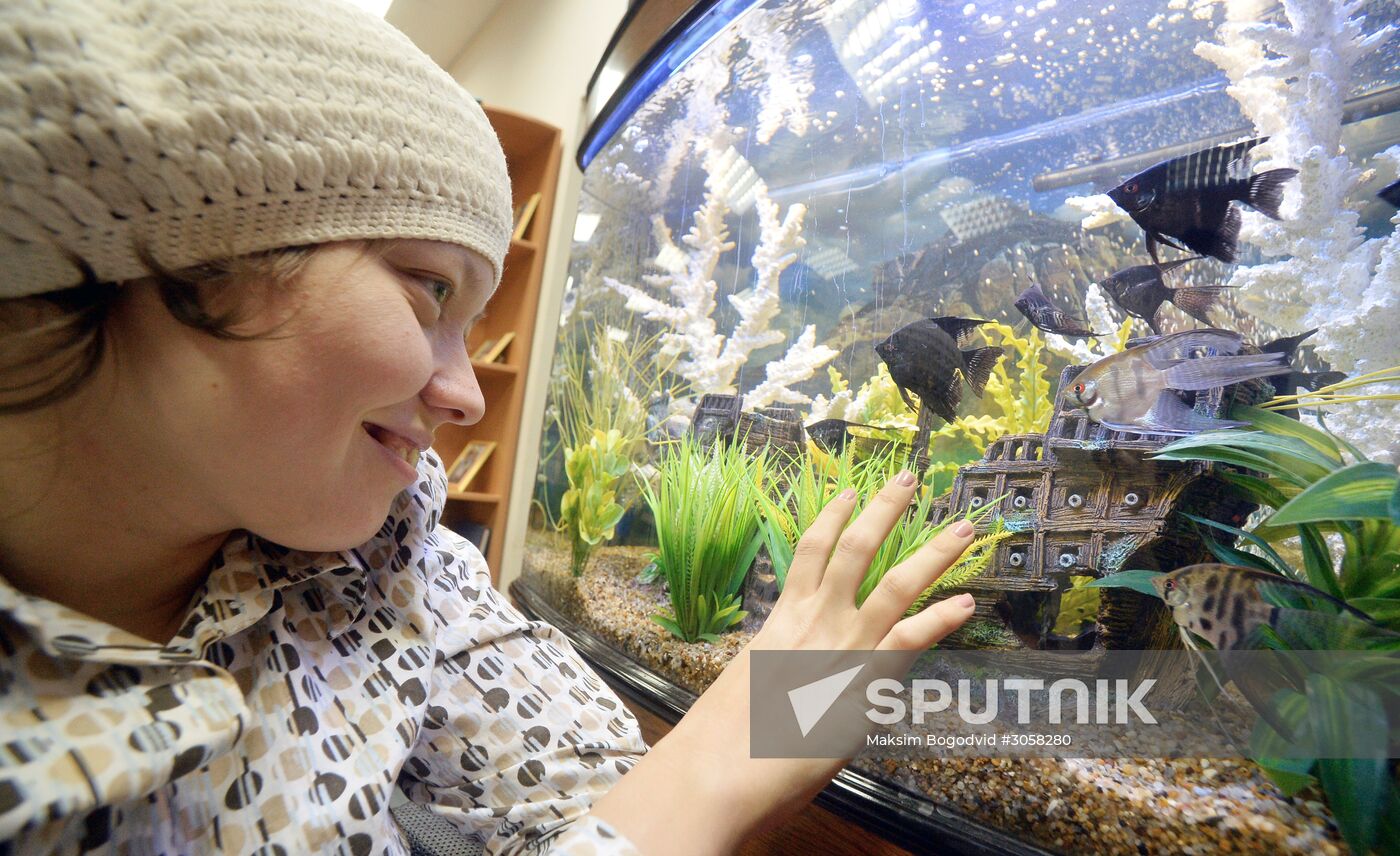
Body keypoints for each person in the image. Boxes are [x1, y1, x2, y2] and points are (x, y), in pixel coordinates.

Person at [0, 1, 978, 853]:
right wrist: (742, 744)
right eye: (430, 288)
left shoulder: (383, 554)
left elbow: (584, 801)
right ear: (187, 241)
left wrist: (772, 714)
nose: (466, 395)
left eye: (472, 324)